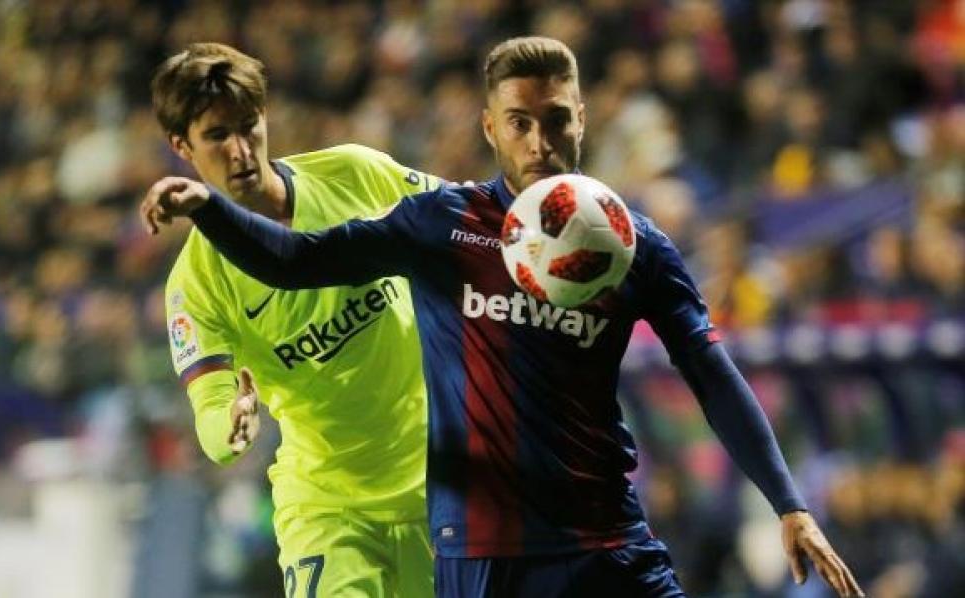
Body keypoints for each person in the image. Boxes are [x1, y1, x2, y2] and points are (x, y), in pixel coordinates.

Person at [142, 37, 863, 598]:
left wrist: (789, 502)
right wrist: (208, 216)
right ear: (491, 127)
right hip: (404, 526)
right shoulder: (442, 227)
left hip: (589, 534)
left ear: (583, 119)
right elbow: (294, 264)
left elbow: (710, 369)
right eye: (520, 122)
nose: (539, 141)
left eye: (556, 119)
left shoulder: (630, 244)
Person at [147, 42, 438, 597]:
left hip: (443, 485)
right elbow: (210, 415)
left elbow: (466, 224)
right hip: (328, 509)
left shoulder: (356, 174)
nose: (240, 150)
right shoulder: (195, 284)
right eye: (217, 135)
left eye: (248, 126)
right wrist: (231, 423)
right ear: (181, 145)